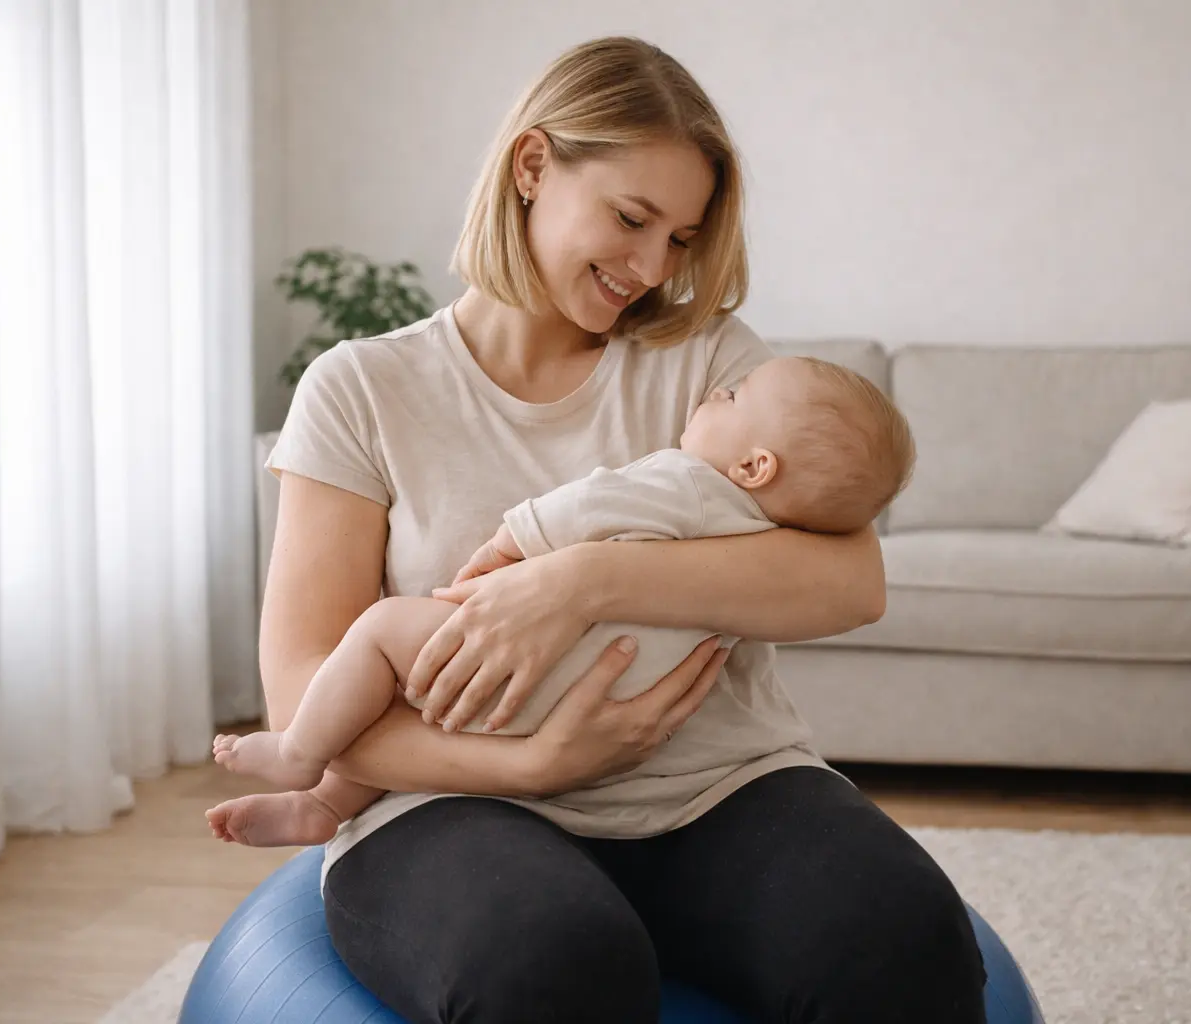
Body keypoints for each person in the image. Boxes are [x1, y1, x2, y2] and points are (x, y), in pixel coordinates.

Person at [214, 35, 986, 1024]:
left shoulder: (709, 363)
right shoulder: (362, 388)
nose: (652, 266)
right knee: (552, 968)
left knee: (902, 939)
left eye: (681, 238)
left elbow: (850, 584)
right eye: (631, 218)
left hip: (718, 785)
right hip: (452, 803)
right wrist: (535, 765)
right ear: (533, 167)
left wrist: (579, 583)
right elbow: (301, 688)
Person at [205, 354, 917, 843]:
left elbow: (589, 504)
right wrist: (534, 763)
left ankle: (304, 762)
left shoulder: (689, 481)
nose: (716, 394)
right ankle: (327, 805)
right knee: (418, 696)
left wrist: (511, 549)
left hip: (545, 674)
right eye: (630, 218)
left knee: (384, 635)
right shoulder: (768, 528)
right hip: (617, 698)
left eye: (731, 398)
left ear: (755, 464)